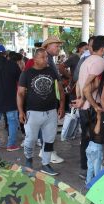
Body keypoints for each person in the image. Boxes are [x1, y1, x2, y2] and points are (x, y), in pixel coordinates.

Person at [17, 48, 65, 176]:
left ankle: (46, 164)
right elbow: (20, 93)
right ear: (35, 59)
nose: (46, 59)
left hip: (51, 112)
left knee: (49, 140)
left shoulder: (51, 71)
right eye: (43, 57)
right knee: (31, 139)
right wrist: (21, 111)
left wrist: (61, 106)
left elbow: (60, 89)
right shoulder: (26, 74)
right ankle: (28, 160)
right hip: (33, 113)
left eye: (47, 57)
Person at [75, 35, 104, 179]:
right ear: (102, 49)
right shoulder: (101, 62)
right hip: (92, 108)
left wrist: (79, 100)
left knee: (86, 140)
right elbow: (87, 87)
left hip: (84, 108)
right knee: (97, 143)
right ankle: (95, 174)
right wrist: (88, 102)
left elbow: (79, 83)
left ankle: (85, 169)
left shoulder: (85, 60)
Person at [42, 36, 65, 164]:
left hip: (50, 98)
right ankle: (48, 153)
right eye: (56, 46)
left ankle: (47, 151)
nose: (58, 48)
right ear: (48, 47)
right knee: (49, 128)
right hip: (49, 98)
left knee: (49, 128)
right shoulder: (47, 60)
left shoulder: (49, 59)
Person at [86, 108, 103, 185]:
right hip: (96, 148)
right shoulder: (97, 123)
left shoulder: (89, 123)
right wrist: (99, 119)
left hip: (90, 146)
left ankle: (88, 182)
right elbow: (97, 131)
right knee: (97, 169)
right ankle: (97, 185)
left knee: (90, 167)